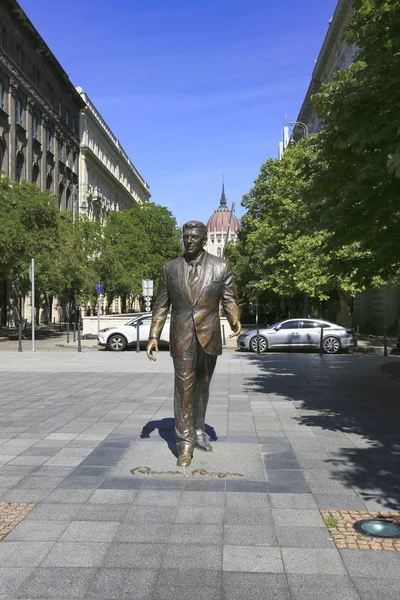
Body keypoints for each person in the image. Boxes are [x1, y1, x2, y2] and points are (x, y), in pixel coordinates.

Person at [146, 221, 241, 467]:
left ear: (204, 239)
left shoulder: (221, 267)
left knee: (203, 386)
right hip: (182, 336)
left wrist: (234, 318)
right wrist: (154, 334)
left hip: (209, 335)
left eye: (194, 237)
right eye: (185, 237)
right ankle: (184, 443)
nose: (188, 241)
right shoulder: (170, 268)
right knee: (184, 387)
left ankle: (199, 429)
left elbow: (229, 298)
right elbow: (161, 305)